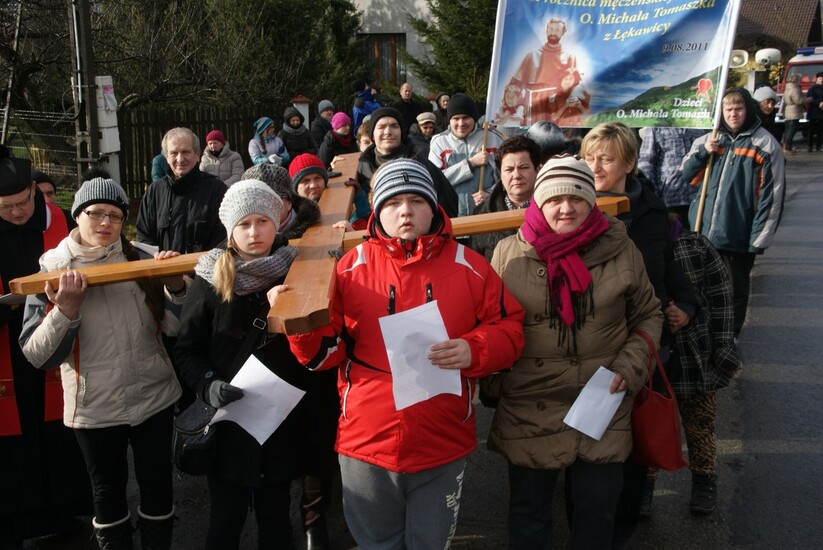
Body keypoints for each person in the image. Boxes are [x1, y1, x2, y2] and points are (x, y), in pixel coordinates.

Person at [276, 158, 525, 549]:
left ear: (434, 205)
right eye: (393, 203)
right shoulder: (348, 269)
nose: (405, 210)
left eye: (416, 200)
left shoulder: (471, 266)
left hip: (442, 441)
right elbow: (323, 358)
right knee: (377, 545)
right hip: (366, 441)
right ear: (377, 210)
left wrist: (474, 349)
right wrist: (299, 322)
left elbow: (510, 330)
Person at [485, 154, 663, 549]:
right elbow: (490, 324)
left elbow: (649, 315)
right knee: (529, 515)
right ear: (538, 202)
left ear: (591, 200)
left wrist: (629, 367)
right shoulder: (508, 255)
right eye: (553, 200)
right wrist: (497, 382)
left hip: (602, 400)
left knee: (596, 516)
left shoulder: (622, 248)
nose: (566, 208)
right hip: (531, 401)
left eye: (577, 198)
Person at [20, 177, 183, 550]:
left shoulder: (142, 257)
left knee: (157, 484)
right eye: (95, 214)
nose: (105, 223)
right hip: (94, 406)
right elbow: (37, 354)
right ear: (78, 216)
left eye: (114, 215)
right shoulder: (50, 269)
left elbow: (174, 327)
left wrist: (174, 287)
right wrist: (65, 310)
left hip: (154, 394)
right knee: (107, 491)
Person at [175, 180, 314, 549]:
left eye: (263, 221)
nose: (255, 232)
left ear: (277, 221)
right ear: (230, 230)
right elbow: (187, 349)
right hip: (229, 424)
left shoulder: (298, 269)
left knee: (276, 520)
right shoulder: (209, 278)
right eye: (244, 224)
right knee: (225, 520)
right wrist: (207, 384)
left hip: (279, 421)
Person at [581, 122, 700, 546]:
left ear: (629, 163)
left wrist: (684, 307)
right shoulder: (571, 208)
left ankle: (622, 528)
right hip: (591, 350)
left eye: (606, 158)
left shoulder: (654, 214)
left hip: (645, 348)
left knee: (631, 448)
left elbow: (673, 273)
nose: (595, 165)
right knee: (590, 446)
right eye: (590, 155)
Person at [240, 164, 336, 548]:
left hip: (311, 360)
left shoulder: (318, 235)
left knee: (316, 445)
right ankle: (276, 528)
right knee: (275, 452)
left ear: (287, 201)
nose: (260, 214)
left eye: (272, 201)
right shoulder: (240, 241)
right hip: (266, 370)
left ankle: (315, 523)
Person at [0, 146, 89, 548]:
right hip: (5, 349)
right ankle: (20, 519)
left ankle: (67, 512)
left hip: (55, 336)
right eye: (7, 207)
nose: (18, 212)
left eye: (23, 202)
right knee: (16, 435)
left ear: (35, 192)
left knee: (59, 430)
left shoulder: (60, 222)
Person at [644, 214, 740, 516]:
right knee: (652, 423)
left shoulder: (697, 247)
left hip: (696, 355)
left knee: (699, 424)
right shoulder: (642, 248)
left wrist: (721, 345)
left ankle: (704, 480)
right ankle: (645, 487)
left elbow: (722, 297)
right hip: (656, 356)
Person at [682, 87, 785, 338]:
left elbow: (772, 197)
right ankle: (705, 339)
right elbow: (687, 175)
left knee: (733, 294)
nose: (733, 114)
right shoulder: (709, 139)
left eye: (738, 109)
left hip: (738, 236)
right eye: (728, 109)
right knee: (701, 290)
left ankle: (728, 343)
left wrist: (759, 237)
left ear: (748, 109)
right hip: (703, 232)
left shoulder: (764, 144)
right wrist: (704, 152)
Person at [137, 127, 227, 253]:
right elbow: (144, 237)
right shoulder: (154, 192)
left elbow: (223, 239)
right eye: (174, 153)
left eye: (186, 152)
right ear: (166, 157)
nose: (180, 159)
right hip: (163, 270)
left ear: (197, 154)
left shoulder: (217, 190)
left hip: (205, 270)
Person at [357, 107, 458, 219]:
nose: (388, 132)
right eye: (381, 127)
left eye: (394, 126)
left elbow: (448, 203)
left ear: (401, 132)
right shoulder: (363, 165)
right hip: (377, 233)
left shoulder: (419, 163)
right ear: (373, 135)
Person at [498, 17, 590, 126]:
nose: (553, 33)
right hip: (534, 102)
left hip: (557, 104)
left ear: (563, 32)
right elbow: (515, 83)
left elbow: (576, 82)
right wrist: (509, 107)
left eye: (557, 30)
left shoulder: (570, 56)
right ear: (546, 30)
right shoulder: (532, 55)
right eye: (551, 29)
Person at [429, 93, 503, 216]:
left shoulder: (491, 138)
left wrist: (491, 194)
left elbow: (505, 176)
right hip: (452, 216)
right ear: (449, 120)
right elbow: (435, 181)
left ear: (474, 118)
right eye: (456, 118)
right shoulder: (440, 142)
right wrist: (470, 163)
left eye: (466, 117)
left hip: (487, 214)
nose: (461, 123)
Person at [470, 135, 541, 261]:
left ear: (537, 169)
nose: (516, 175)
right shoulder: (482, 214)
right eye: (509, 169)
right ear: (500, 174)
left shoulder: (552, 211)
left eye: (523, 168)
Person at [637, 127, 704, 223]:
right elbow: (646, 165)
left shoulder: (698, 128)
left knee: (697, 237)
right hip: (669, 202)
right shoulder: (655, 129)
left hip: (697, 199)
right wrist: (654, 201)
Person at [781, 73, 805, 154]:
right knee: (792, 131)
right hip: (794, 112)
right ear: (796, 81)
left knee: (788, 131)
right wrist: (807, 100)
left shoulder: (787, 88)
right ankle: (788, 148)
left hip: (787, 111)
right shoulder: (795, 89)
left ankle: (786, 146)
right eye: (799, 81)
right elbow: (798, 101)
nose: (800, 83)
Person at [805, 72, 823, 152]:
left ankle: (819, 146)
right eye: (820, 78)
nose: (821, 80)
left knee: (821, 131)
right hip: (813, 112)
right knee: (811, 131)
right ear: (817, 79)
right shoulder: (812, 88)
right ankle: (810, 146)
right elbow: (810, 99)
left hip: (821, 113)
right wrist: (819, 103)